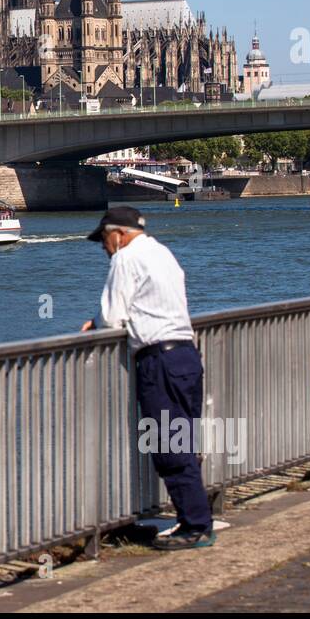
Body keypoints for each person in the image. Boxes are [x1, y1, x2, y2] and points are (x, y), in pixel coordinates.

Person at [81, 206, 216, 551]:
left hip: (159, 360)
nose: (104, 248)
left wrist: (93, 324)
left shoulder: (125, 259)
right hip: (186, 355)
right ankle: (194, 517)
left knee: (170, 446)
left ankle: (197, 525)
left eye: (104, 241)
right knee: (182, 439)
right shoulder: (163, 253)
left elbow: (113, 316)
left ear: (118, 234)